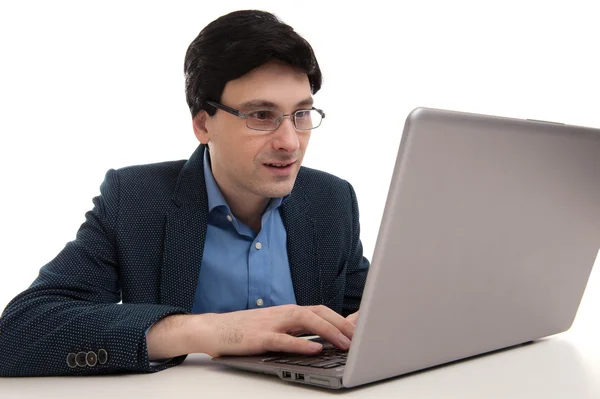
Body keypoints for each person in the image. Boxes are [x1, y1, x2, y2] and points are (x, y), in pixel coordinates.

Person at [0, 10, 370, 377]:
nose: (290, 143)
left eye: (301, 114)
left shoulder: (331, 200)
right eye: (261, 115)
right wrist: (207, 331)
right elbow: (19, 331)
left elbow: (371, 310)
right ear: (203, 124)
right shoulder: (134, 200)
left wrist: (372, 323)